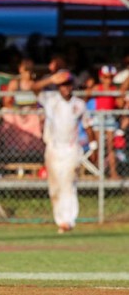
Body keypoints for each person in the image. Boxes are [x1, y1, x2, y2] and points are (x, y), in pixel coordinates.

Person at [31, 70, 96, 234]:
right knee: (55, 186)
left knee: (68, 183)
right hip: (53, 148)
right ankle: (60, 220)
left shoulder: (79, 104)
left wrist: (93, 146)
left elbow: (88, 126)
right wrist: (50, 80)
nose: (65, 88)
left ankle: (69, 219)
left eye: (68, 85)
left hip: (71, 148)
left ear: (72, 86)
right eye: (62, 85)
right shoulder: (50, 100)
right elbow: (34, 88)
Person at [85, 65, 123, 179]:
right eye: (106, 77)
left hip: (110, 118)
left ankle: (113, 173)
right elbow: (86, 96)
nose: (108, 80)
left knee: (111, 147)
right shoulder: (97, 88)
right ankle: (99, 173)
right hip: (98, 118)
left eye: (110, 77)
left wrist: (120, 97)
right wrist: (90, 87)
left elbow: (119, 104)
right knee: (99, 147)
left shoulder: (114, 90)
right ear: (101, 78)